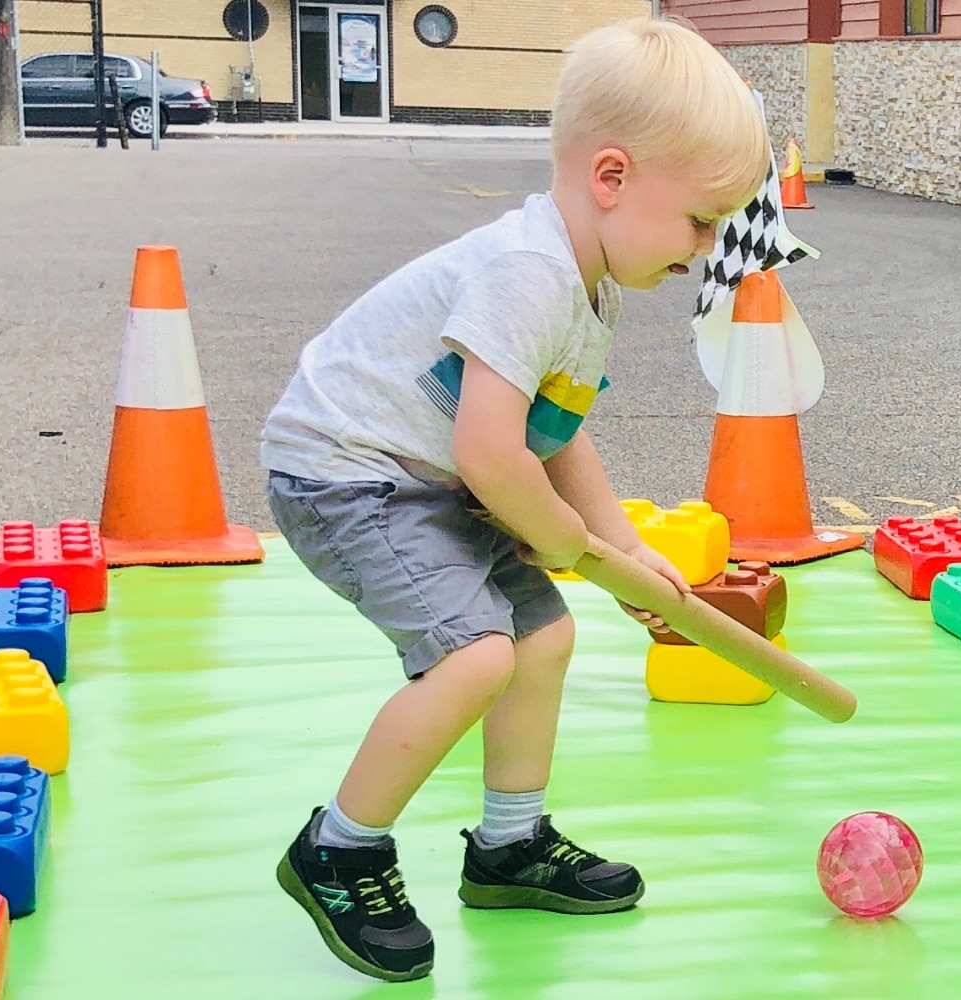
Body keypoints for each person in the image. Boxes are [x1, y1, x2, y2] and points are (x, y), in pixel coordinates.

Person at [256, 15, 771, 982]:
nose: (705, 250)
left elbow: (553, 431)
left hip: (426, 476)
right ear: (610, 179)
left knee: (544, 637)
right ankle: (339, 846)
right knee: (475, 654)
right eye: (702, 220)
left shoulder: (593, 282)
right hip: (346, 473)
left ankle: (509, 844)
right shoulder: (529, 273)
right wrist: (574, 546)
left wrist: (624, 551)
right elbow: (492, 457)